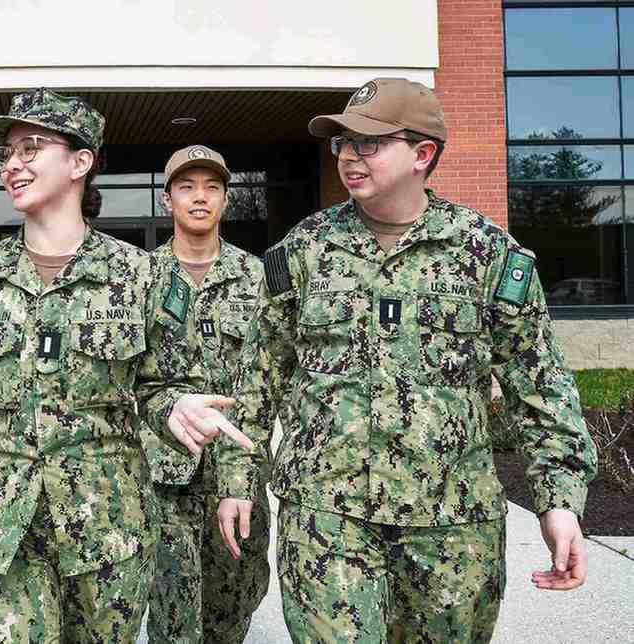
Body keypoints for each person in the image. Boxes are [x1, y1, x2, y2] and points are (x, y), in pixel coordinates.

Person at [227, 77, 598, 642]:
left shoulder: (488, 255)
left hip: (451, 530)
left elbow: (540, 386)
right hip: (328, 521)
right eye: (343, 143)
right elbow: (256, 377)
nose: (350, 155)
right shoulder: (301, 252)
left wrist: (559, 501)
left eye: (369, 143)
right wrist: (237, 479)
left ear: (423, 153)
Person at [0, 88, 250, 642]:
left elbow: (166, 383)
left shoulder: (142, 276)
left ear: (80, 162)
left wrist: (175, 405)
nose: (13, 163)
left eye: (32, 147)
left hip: (106, 531)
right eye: (6, 154)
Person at [141, 144, 270, 643]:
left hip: (235, 473)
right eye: (187, 187)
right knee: (171, 619)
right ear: (167, 199)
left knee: (231, 608)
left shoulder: (257, 279)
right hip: (161, 478)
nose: (200, 197)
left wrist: (241, 478)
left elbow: (265, 385)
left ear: (226, 200)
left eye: (212, 187)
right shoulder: (140, 279)